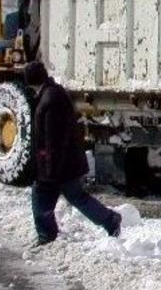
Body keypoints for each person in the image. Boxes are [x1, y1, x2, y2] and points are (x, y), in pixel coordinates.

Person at [24, 61, 121, 246]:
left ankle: (46, 235)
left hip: (57, 164)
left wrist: (49, 169)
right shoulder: (52, 94)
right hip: (66, 162)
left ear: (32, 81)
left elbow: (53, 139)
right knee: (77, 198)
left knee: (41, 197)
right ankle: (109, 220)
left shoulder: (50, 99)